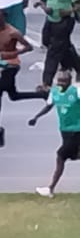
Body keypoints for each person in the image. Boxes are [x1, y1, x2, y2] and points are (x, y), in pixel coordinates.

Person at [29, 69, 80, 198]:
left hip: (76, 130)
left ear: (70, 81)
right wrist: (36, 117)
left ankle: (50, 188)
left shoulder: (76, 91)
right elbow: (49, 106)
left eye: (64, 81)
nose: (61, 83)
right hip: (64, 130)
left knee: (60, 155)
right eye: (59, 81)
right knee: (73, 155)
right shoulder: (54, 92)